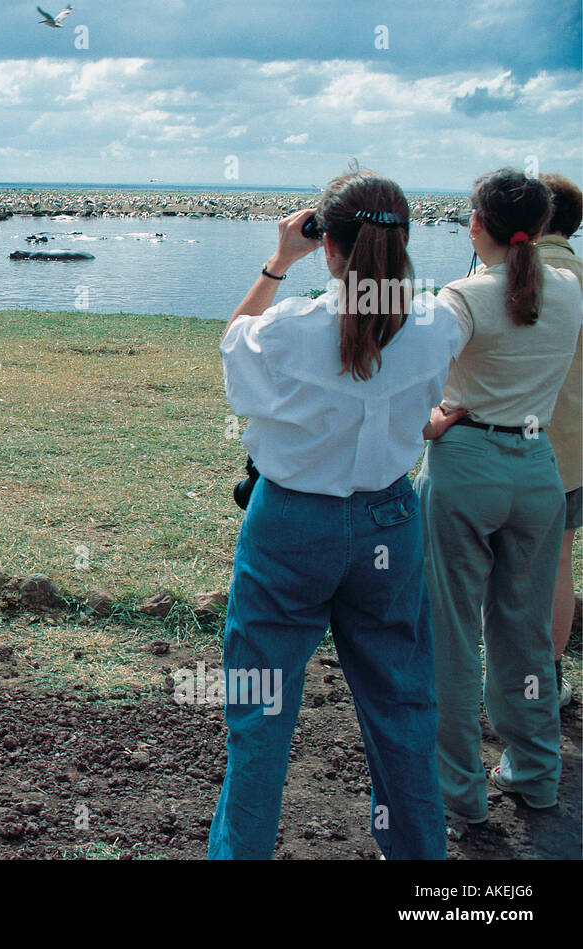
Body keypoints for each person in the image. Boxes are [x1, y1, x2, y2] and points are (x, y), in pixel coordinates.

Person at [210, 170, 462, 860]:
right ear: (405, 241)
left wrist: (277, 261)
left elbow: (233, 343)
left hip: (290, 525)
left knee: (259, 716)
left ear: (330, 245)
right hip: (388, 521)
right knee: (403, 707)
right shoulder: (438, 322)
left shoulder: (290, 329)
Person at [417, 168, 582, 825]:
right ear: (541, 228)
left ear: (477, 224)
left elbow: (415, 379)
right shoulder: (569, 288)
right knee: (522, 629)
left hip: (465, 469)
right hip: (538, 472)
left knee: (452, 632)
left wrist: (432, 419)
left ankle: (459, 791)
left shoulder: (461, 296)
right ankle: (535, 773)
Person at [535, 173, 582, 710]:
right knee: (557, 564)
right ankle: (545, 680)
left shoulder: (503, 277)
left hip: (492, 446)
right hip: (571, 453)